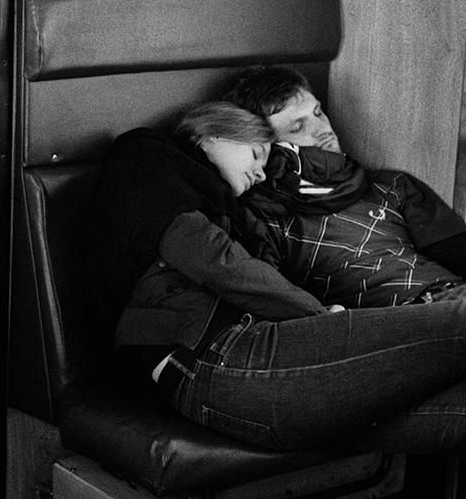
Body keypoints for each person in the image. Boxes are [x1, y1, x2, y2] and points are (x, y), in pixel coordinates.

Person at [97, 101, 466, 454]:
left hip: (263, 386)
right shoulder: (147, 155)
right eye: (257, 153)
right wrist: (319, 317)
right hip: (215, 358)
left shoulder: (233, 212)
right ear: (212, 135)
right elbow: (216, 261)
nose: (260, 171)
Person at [224, 64, 466, 308]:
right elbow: (271, 305)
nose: (323, 130)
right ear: (267, 147)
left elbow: (458, 251)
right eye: (298, 127)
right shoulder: (264, 218)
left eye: (318, 113)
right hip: (393, 324)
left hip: (450, 297)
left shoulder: (389, 185)